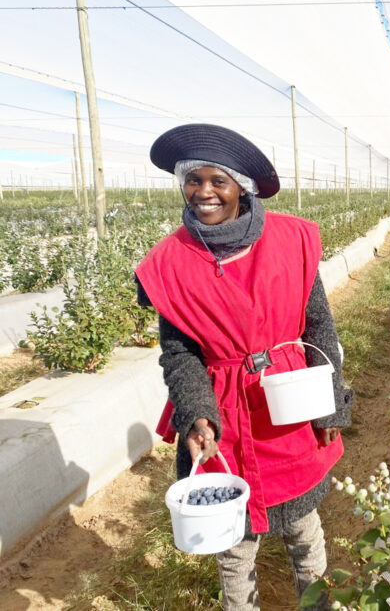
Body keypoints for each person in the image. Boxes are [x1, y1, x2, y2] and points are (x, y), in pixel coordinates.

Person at [135, 124, 352, 610]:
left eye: (217, 180)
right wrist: (198, 413)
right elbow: (179, 352)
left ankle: (317, 605)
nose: (204, 192)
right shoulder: (170, 262)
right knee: (233, 545)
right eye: (193, 180)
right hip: (225, 411)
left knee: (303, 530)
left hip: (289, 401)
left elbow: (320, 327)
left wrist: (330, 407)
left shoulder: (290, 241)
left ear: (241, 187)